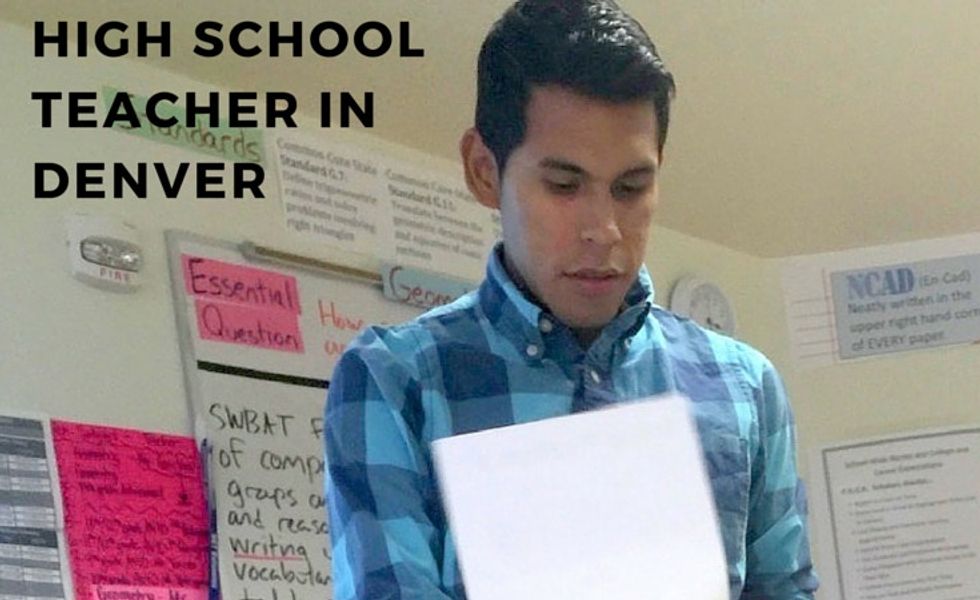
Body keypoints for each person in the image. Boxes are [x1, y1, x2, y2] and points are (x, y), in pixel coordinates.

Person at [325, 0, 819, 598]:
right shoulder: (395, 382)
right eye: (564, 185)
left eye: (631, 188)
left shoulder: (743, 387)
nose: (603, 230)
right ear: (484, 171)